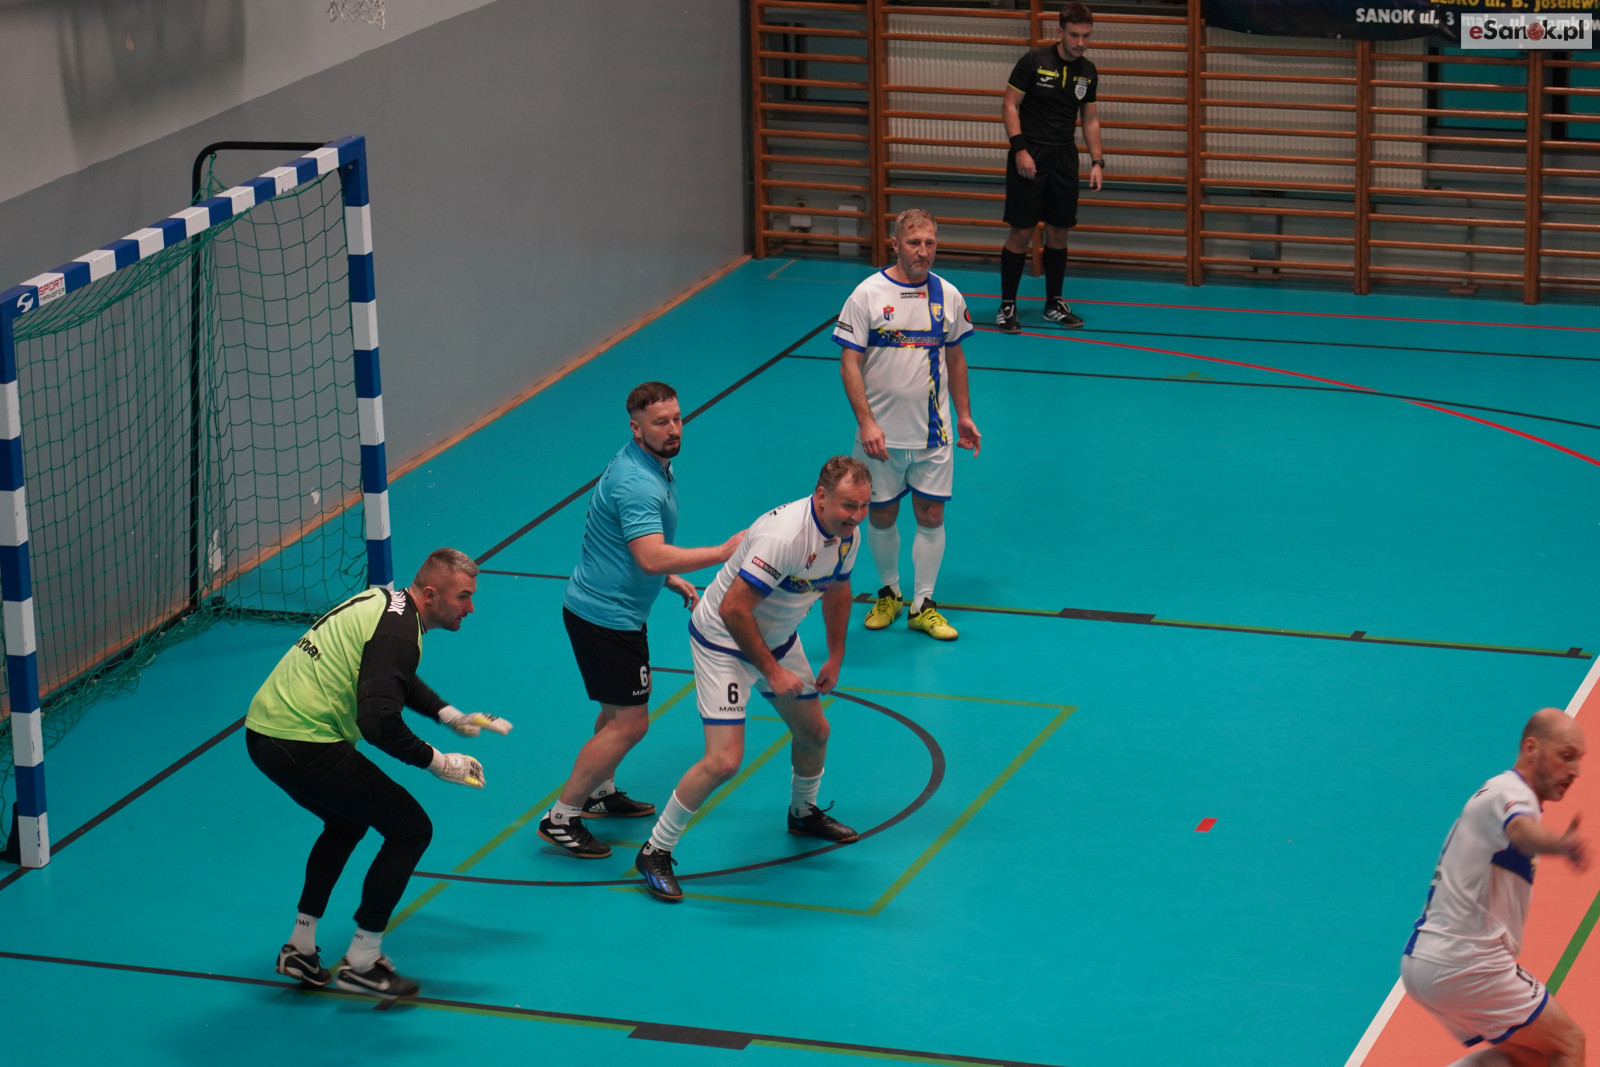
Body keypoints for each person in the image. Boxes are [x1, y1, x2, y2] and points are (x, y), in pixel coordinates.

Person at [245, 548, 510, 998]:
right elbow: (379, 723)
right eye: (463, 596)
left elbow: (392, 675)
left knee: (347, 821)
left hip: (266, 734)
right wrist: (440, 763)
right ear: (431, 595)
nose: (470, 608)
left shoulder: (388, 604)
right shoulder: (400, 633)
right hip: (301, 740)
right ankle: (363, 962)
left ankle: (300, 947)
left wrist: (449, 716)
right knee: (410, 829)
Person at [634, 457, 871, 902]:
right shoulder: (784, 537)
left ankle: (802, 813)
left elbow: (839, 591)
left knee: (815, 733)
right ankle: (655, 850)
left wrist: (836, 656)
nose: (857, 516)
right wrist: (772, 672)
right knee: (723, 761)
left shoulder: (846, 536)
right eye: (848, 506)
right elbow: (733, 610)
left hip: (776, 639)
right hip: (723, 642)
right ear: (821, 497)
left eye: (863, 506)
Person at [539, 381, 743, 859]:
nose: (673, 429)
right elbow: (649, 556)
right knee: (630, 724)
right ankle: (561, 817)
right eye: (660, 422)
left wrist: (668, 578)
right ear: (636, 428)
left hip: (612, 610)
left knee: (615, 713)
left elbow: (626, 544)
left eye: (676, 419)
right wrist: (721, 552)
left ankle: (598, 791)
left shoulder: (651, 463)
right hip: (606, 618)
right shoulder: (637, 482)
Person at [1401, 707, 1589, 1066]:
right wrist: (1560, 845)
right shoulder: (1511, 792)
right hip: (1467, 962)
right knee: (1568, 1044)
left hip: (1429, 961)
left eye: (1578, 760)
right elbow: (1521, 832)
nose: (1575, 771)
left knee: (1531, 1057)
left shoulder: (1499, 794)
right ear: (1531, 748)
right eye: (1566, 756)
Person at [833, 208, 979, 642]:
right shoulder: (867, 294)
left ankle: (924, 604)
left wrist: (964, 415)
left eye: (930, 243)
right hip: (880, 437)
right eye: (914, 243)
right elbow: (849, 362)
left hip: (934, 434)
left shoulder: (948, 295)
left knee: (931, 514)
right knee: (881, 514)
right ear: (895, 244)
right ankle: (889, 593)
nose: (923, 251)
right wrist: (866, 423)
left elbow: (955, 357)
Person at [996, 2, 1103, 334]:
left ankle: (1053, 303)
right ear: (1060, 32)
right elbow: (1009, 105)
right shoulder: (1034, 61)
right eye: (1074, 35)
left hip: (1063, 158)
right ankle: (1007, 305)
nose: (1081, 42)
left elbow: (1090, 119)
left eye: (1086, 35)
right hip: (1029, 155)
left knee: (1059, 231)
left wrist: (1097, 161)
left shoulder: (1088, 71)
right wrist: (1020, 149)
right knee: (1022, 232)